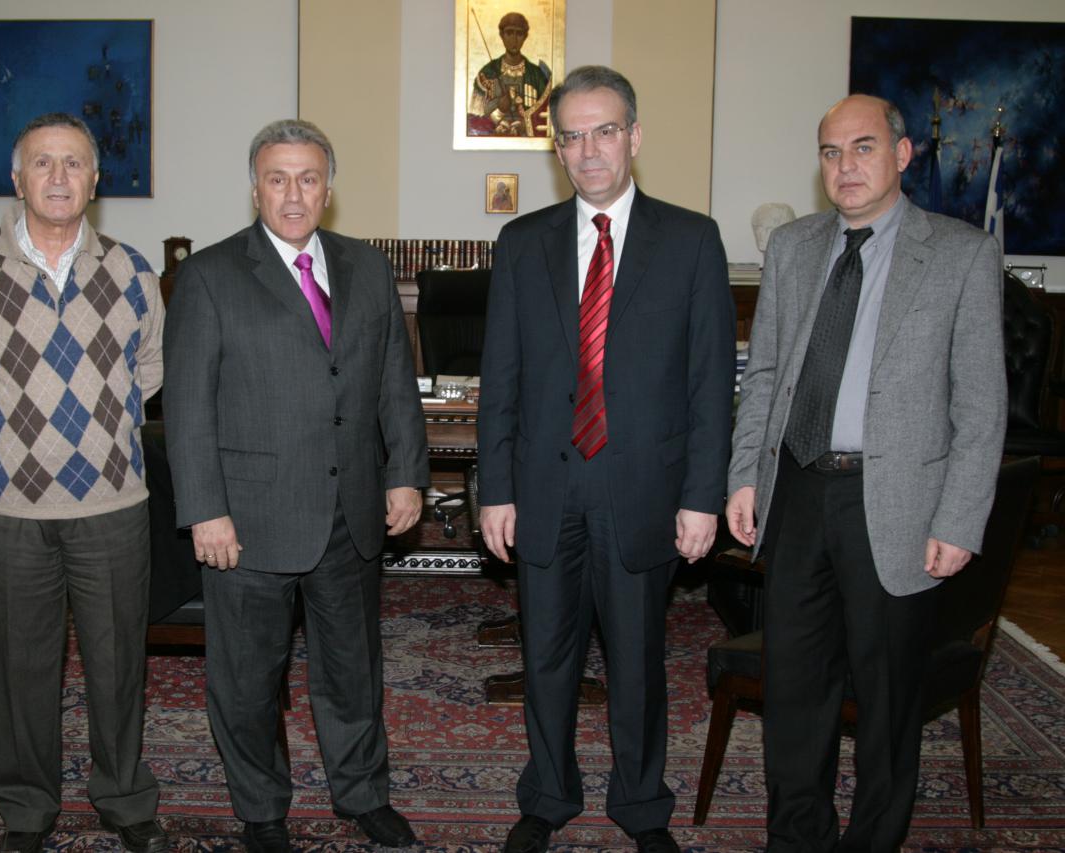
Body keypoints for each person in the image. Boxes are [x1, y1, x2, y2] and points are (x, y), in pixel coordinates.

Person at [725, 94, 1006, 851]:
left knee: (886, 700)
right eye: (830, 152)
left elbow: (981, 406)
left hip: (896, 505)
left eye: (863, 147)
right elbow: (767, 376)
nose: (845, 166)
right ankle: (798, 838)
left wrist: (959, 519)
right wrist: (745, 475)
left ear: (902, 154)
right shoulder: (793, 247)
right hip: (796, 492)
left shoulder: (961, 255)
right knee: (794, 691)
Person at [478, 65, 735, 853]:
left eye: (605, 131)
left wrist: (703, 495)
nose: (589, 150)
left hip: (644, 491)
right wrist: (495, 489)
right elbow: (502, 378)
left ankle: (642, 807)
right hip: (544, 488)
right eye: (572, 136)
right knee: (546, 658)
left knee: (637, 663)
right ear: (557, 149)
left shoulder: (691, 240)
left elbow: (710, 384)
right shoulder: (522, 243)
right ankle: (548, 795)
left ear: (635, 136)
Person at [162, 119, 428, 853]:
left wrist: (406, 475)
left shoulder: (367, 268)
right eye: (276, 179)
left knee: (353, 670)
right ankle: (262, 811)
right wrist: (205, 510)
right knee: (248, 679)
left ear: (328, 188)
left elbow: (394, 382)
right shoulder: (211, 275)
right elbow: (187, 406)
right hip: (248, 520)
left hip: (351, 513)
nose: (292, 194)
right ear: (254, 188)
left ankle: (363, 794)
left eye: (307, 179)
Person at [0, 112, 168, 853]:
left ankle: (123, 796)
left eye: (73, 163)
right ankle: (27, 808)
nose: (58, 177)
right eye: (43, 163)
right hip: (7, 506)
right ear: (17, 177)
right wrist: (15, 426)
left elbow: (149, 370)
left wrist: (93, 429)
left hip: (112, 503)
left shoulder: (132, 270)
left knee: (117, 662)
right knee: (19, 665)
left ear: (95, 180)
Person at [468, 12, 552, 138]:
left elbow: (548, 120)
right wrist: (499, 111)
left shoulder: (537, 76)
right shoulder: (486, 74)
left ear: (525, 37)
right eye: (509, 33)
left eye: (519, 34)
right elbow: (473, 123)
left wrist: (526, 124)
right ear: (502, 35)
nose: (514, 39)